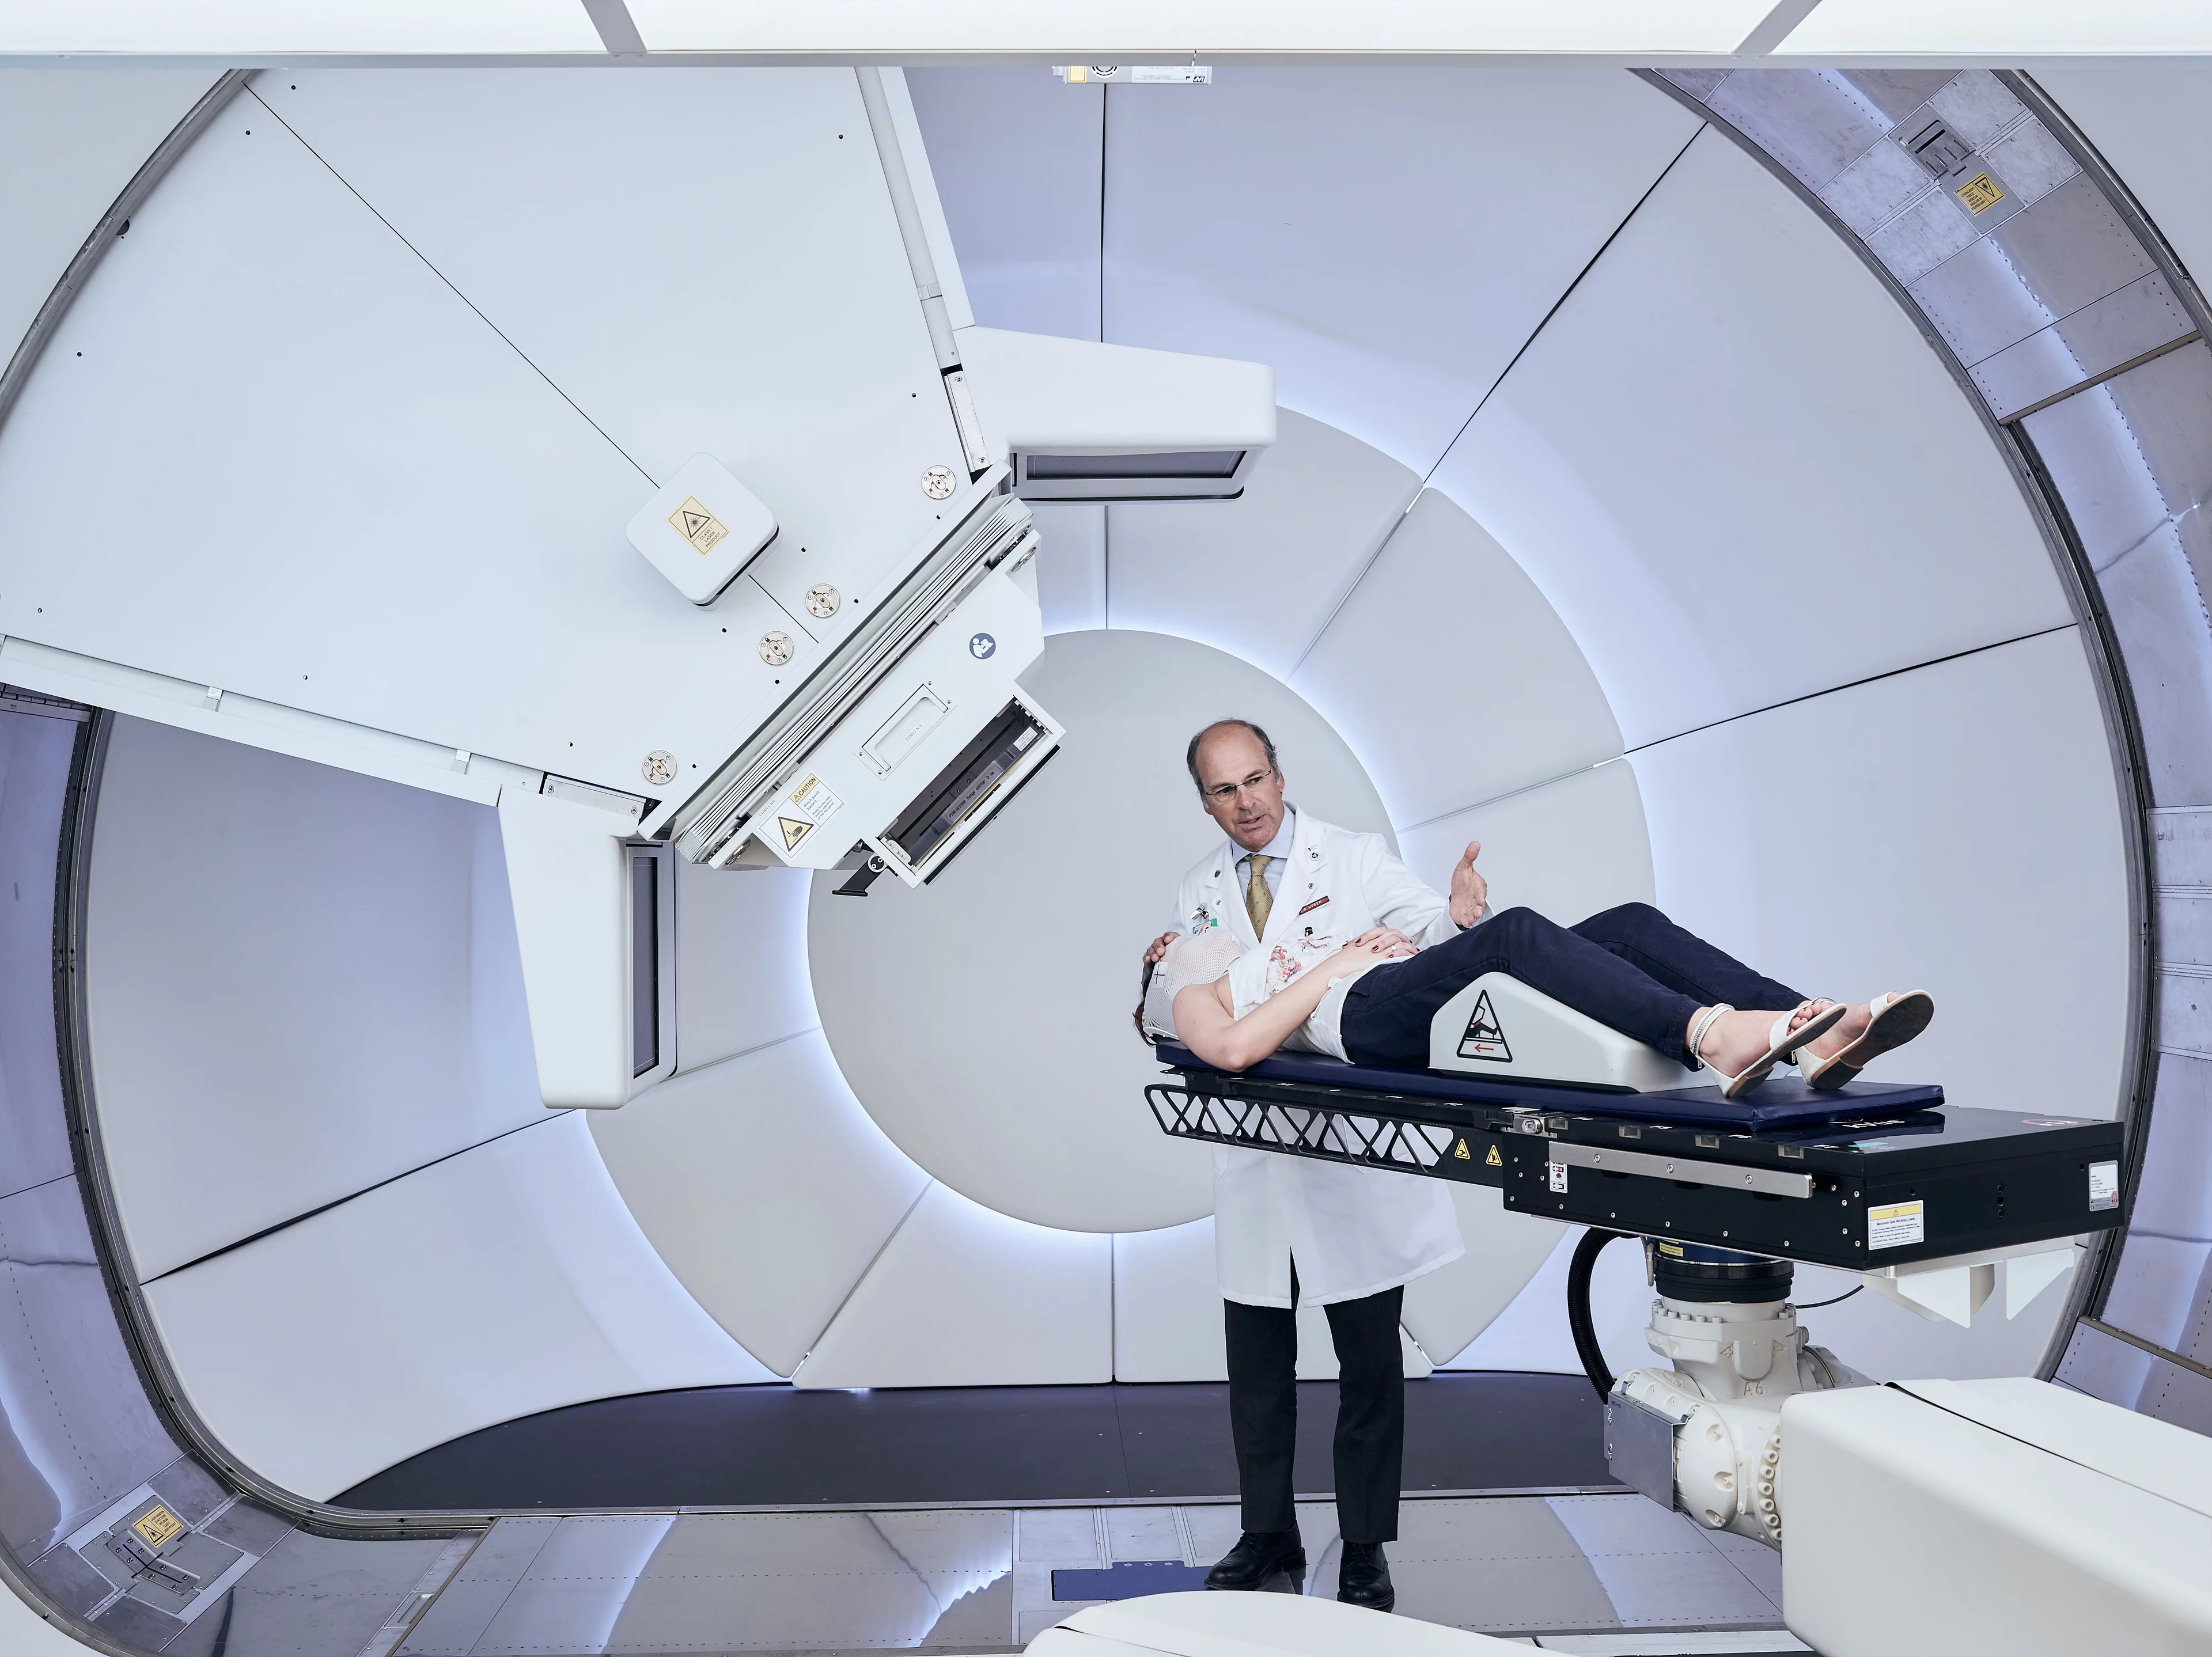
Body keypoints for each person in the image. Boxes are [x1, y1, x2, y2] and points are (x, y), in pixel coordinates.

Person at [1143, 718, 1490, 1614]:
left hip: (1349, 1151)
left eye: (1257, 779)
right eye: (1225, 790)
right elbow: (1207, 994)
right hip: (1258, 1154)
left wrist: (1458, 913)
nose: (1248, 803)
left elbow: (1426, 927)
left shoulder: (1354, 857)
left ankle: (1366, 1547)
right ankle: (1268, 1533)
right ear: (1205, 800)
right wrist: (1165, 965)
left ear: (1279, 774)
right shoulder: (1199, 886)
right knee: (1256, 1361)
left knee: (1368, 1364)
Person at [1145, 905, 1934, 1096]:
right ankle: (1713, 1037)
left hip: (1386, 983)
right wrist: (1335, 966)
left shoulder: (1265, 946)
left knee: (1627, 925)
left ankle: (1815, 1032)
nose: (1190, 933)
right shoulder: (1189, 993)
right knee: (1517, 934)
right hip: (1357, 1018)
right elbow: (1236, 1052)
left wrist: (1403, 937)